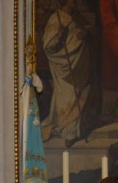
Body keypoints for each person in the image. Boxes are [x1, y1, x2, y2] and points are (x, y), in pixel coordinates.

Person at [40, 0, 98, 147]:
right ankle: (70, 133)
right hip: (66, 66)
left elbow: (80, 32)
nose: (76, 2)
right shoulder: (56, 18)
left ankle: (75, 131)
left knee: (80, 95)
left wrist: (83, 33)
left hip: (79, 65)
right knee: (69, 98)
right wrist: (59, 36)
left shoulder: (74, 16)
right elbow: (48, 46)